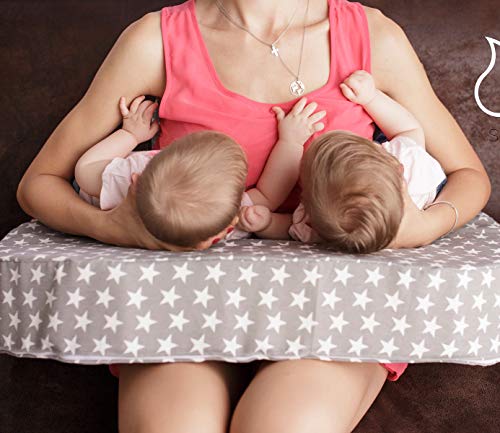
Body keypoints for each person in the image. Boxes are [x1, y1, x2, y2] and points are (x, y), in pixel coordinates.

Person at [16, 0, 491, 432]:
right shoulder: (157, 39)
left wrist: (424, 225)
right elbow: (39, 184)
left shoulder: (372, 36)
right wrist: (113, 226)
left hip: (338, 302)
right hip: (185, 297)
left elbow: (468, 173)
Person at [74, 94, 325, 249]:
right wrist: (291, 142)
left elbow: (84, 171)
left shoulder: (218, 214)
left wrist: (130, 135)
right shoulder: (227, 217)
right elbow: (270, 195)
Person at [242, 70, 450, 255]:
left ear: (308, 204)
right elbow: (407, 129)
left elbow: (289, 226)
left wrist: (267, 223)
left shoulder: (324, 225)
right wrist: (371, 98)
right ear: (397, 168)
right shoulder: (410, 162)